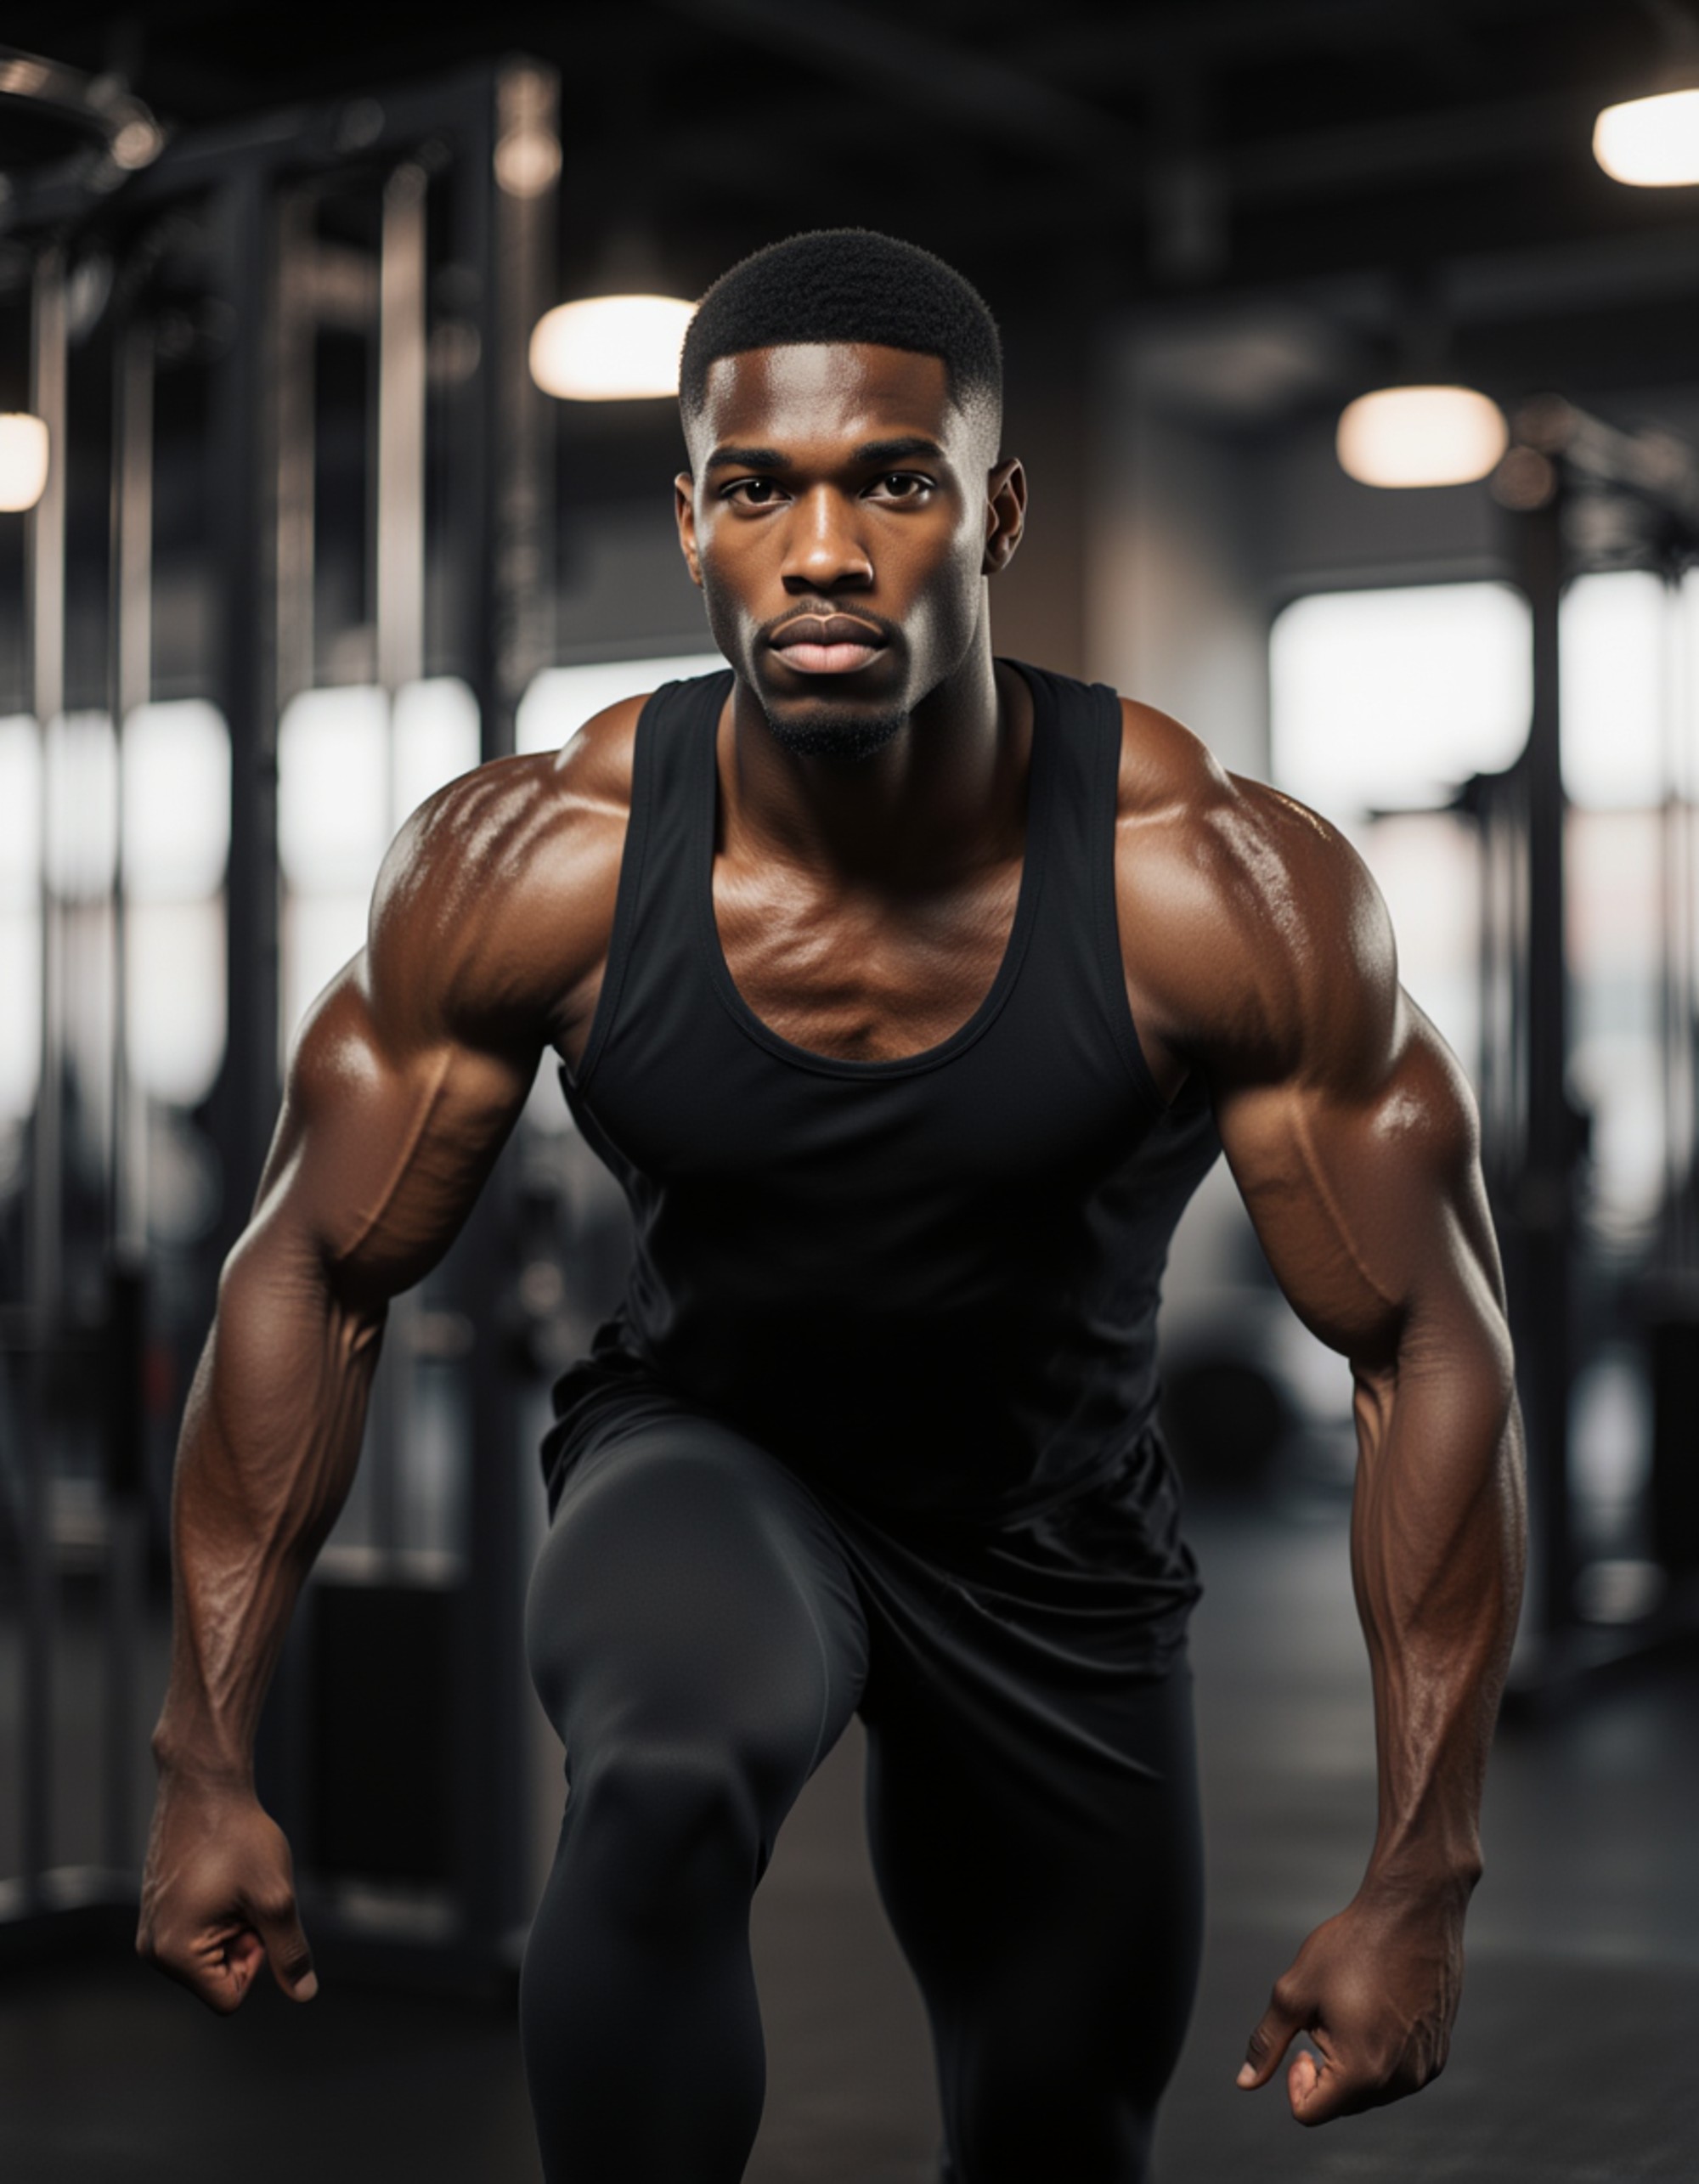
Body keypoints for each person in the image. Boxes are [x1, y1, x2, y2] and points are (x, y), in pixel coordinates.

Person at [138, 228, 1527, 2183]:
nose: (820, 552)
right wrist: (202, 1752)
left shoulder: (1213, 886)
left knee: (1057, 2126)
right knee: (659, 1768)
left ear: (997, 510)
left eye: (891, 482)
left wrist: (1423, 1868)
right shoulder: (534, 862)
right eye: (754, 489)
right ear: (689, 521)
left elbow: (1422, 1340)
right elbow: (312, 1264)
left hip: (1052, 1533)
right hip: (711, 1458)